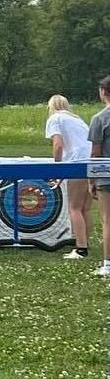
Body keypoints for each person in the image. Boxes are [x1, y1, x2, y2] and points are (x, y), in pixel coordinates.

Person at [45, 94, 92, 259]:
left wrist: (57, 169)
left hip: (76, 163)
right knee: (85, 208)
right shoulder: (77, 119)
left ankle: (80, 248)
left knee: (74, 207)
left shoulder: (55, 119)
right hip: (91, 163)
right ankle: (85, 240)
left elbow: (58, 145)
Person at [89, 75, 110, 276]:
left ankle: (108, 264)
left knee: (107, 220)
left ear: (103, 92)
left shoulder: (100, 119)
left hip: (106, 175)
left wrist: (91, 181)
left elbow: (95, 153)